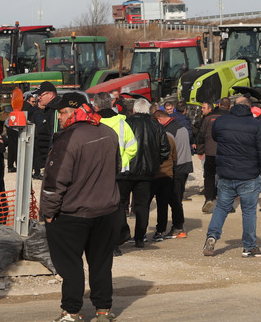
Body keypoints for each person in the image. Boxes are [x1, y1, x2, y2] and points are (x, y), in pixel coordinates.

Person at [40, 92, 121, 322]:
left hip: (73, 214)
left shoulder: (68, 137)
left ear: (76, 112)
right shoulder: (109, 132)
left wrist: (48, 213)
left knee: (70, 265)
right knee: (101, 262)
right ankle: (103, 309)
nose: (61, 118)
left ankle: (71, 311)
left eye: (63, 113)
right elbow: (116, 168)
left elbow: (55, 182)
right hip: (105, 211)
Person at [203, 96, 261, 258]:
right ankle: (249, 246)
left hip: (226, 173)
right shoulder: (256, 125)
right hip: (249, 174)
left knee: (221, 208)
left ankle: (211, 237)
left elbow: (215, 137)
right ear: (249, 107)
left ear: (234, 106)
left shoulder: (221, 121)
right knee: (248, 211)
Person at [93, 92, 137, 254]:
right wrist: (122, 162)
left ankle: (101, 242)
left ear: (96, 106)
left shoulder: (92, 123)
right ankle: (115, 243)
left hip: (98, 172)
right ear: (111, 104)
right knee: (117, 208)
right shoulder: (122, 123)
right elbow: (132, 147)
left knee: (99, 208)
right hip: (120, 172)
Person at [123, 98, 168, 247]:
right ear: (149, 110)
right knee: (143, 206)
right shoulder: (156, 125)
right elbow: (165, 149)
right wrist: (155, 163)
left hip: (126, 170)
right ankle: (139, 238)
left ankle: (122, 234)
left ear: (134, 110)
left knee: (121, 204)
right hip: (147, 172)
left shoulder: (126, 123)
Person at [154, 109, 190, 239]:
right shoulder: (180, 126)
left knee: (173, 200)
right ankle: (177, 226)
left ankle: (178, 227)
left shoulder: (168, 131)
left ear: (159, 119)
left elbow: (172, 154)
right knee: (175, 199)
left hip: (176, 168)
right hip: (184, 165)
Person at [195, 98, 227, 214]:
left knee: (209, 176)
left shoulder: (207, 119)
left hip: (210, 153)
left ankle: (209, 198)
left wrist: (200, 151)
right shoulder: (228, 118)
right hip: (224, 153)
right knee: (224, 177)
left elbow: (201, 136)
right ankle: (226, 203)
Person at [149, 113, 177, 243]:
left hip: (150, 175)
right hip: (166, 174)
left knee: (143, 205)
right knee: (162, 205)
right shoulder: (169, 137)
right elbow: (174, 157)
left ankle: (141, 231)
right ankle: (160, 231)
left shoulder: (148, 137)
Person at [28, 81, 58, 179]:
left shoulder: (56, 110)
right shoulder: (48, 110)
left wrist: (51, 158)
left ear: (51, 95)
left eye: (41, 95)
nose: (39, 98)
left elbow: (55, 136)